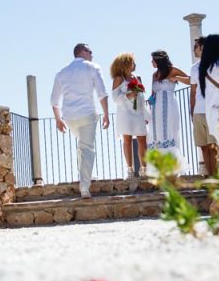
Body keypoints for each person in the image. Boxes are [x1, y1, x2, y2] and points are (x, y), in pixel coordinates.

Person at [51, 43, 109, 198]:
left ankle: (85, 176)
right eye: (90, 51)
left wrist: (58, 120)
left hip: (69, 117)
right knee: (87, 149)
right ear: (83, 52)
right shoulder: (92, 67)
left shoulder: (62, 73)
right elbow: (102, 93)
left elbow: (54, 101)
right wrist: (106, 114)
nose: (92, 55)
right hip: (87, 114)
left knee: (82, 147)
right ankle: (84, 187)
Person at [147, 50, 190, 173]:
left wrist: (175, 78)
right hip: (156, 110)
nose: (151, 62)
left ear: (158, 60)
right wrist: (147, 112)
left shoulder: (173, 70)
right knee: (156, 135)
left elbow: (190, 80)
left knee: (169, 133)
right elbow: (153, 94)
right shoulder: (154, 75)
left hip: (169, 107)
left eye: (153, 60)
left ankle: (171, 167)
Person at [110, 52, 148, 177]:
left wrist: (146, 113)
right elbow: (115, 97)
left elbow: (143, 95)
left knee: (142, 139)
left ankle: (144, 168)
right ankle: (130, 169)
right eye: (132, 62)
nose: (134, 64)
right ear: (126, 64)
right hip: (125, 112)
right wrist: (128, 95)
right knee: (127, 139)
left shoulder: (138, 77)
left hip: (138, 112)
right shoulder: (118, 78)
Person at [189, 36, 219, 176]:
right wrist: (192, 111)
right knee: (203, 147)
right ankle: (210, 176)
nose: (193, 49)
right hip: (198, 112)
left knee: (213, 147)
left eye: (195, 46)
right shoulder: (194, 68)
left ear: (202, 47)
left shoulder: (216, 65)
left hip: (212, 110)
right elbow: (193, 91)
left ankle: (216, 177)